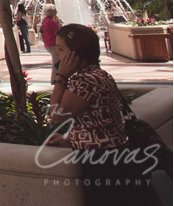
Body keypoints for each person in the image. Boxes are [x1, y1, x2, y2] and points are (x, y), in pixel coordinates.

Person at [47, 23, 161, 206]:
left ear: (75, 53)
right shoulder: (99, 74)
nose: (57, 54)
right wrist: (71, 140)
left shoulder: (84, 80)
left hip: (103, 162)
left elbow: (57, 114)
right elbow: (100, 121)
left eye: (60, 49)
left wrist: (61, 77)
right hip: (116, 155)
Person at [41, 4, 62, 83]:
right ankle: (55, 79)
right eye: (54, 10)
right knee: (57, 62)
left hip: (48, 43)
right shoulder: (52, 21)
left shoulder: (44, 20)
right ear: (51, 12)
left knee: (57, 60)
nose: (56, 12)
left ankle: (56, 78)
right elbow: (58, 33)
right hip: (53, 43)